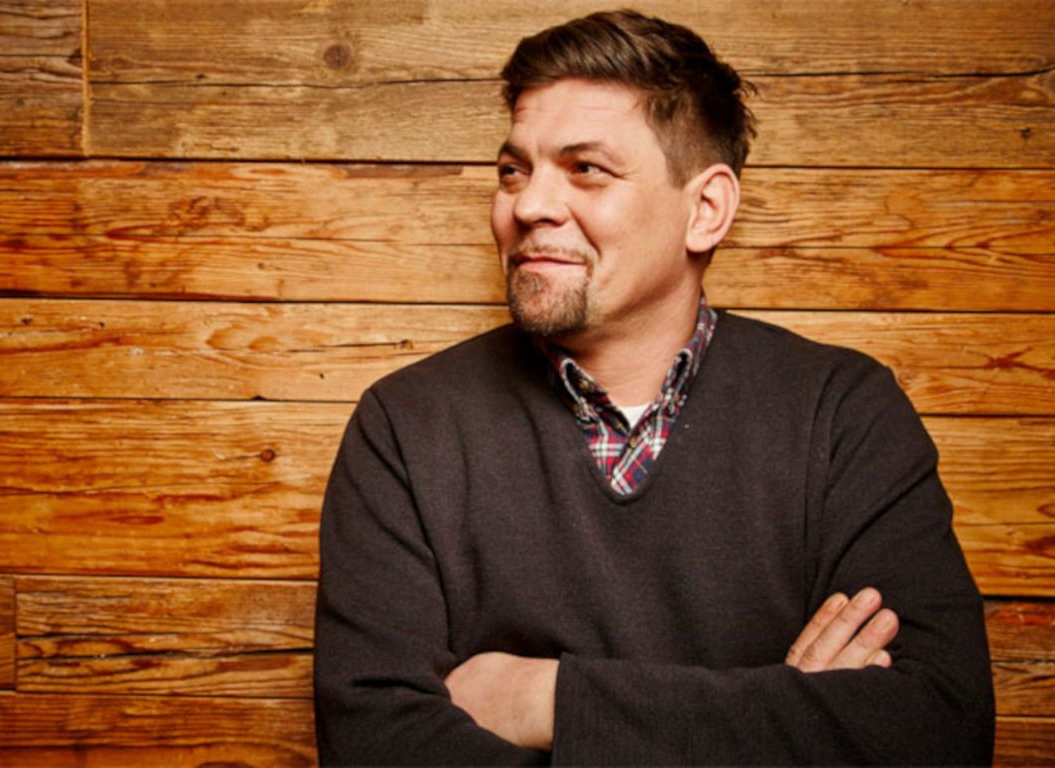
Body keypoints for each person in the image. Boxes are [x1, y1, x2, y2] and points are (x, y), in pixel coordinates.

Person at [314, 9, 994, 765]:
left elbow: (936, 731)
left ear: (705, 210)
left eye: (585, 169)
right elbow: (374, 745)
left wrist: (549, 699)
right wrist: (783, 717)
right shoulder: (406, 427)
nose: (527, 205)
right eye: (513, 170)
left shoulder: (842, 415)